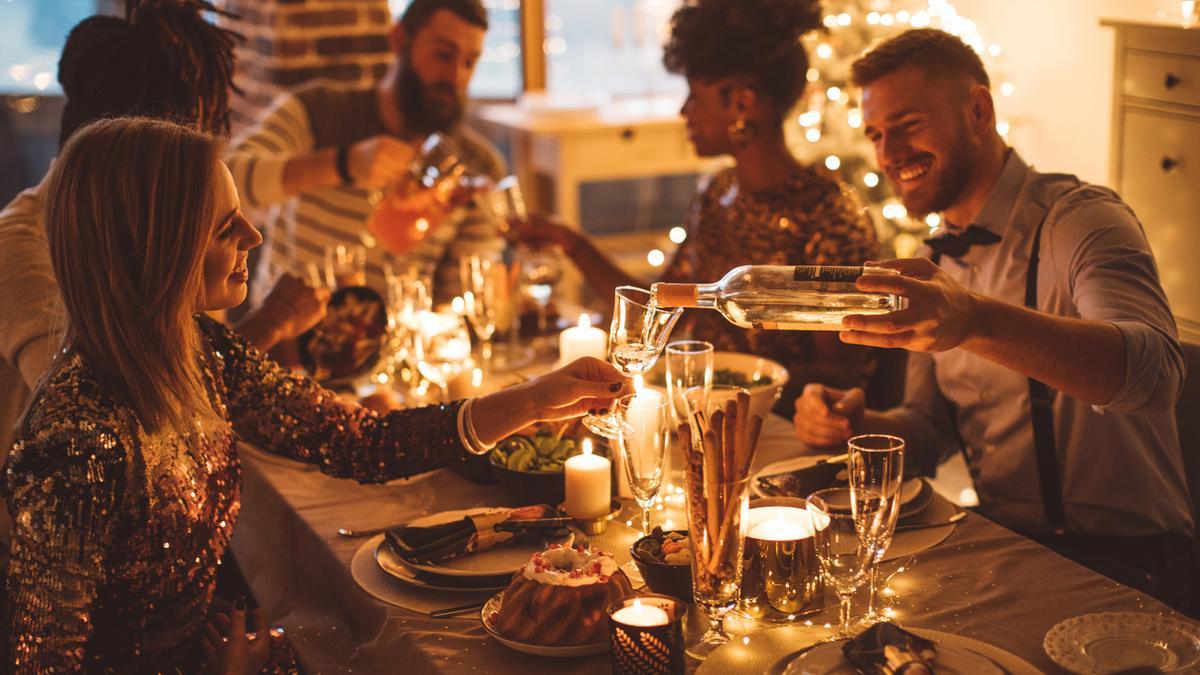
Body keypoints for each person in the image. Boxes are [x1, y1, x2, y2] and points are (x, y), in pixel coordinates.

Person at [2, 116, 630, 672]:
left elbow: (358, 442)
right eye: (225, 228)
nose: (253, 236)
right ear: (155, 248)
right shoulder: (77, 438)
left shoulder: (196, 348)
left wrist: (537, 398)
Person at [792, 28, 1194, 609]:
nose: (887, 154)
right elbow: (928, 432)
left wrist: (974, 322)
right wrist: (858, 425)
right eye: (876, 135)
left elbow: (1155, 376)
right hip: (1006, 551)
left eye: (906, 126)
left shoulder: (1083, 219)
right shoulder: (934, 260)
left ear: (978, 110)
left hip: (1131, 566)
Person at [0, 0, 328, 574]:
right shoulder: (21, 255)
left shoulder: (162, 233)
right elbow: (110, 418)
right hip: (66, 569)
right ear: (145, 149)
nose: (215, 148)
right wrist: (268, 327)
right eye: (198, 134)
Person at [509, 0, 879, 412]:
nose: (684, 111)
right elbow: (660, 301)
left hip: (778, 426)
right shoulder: (717, 192)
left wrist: (747, 387)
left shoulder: (829, 216)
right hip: (693, 408)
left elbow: (843, 372)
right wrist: (571, 243)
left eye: (694, 95)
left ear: (742, 103)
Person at [225, 0, 506, 303]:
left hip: (405, 343)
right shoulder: (319, 111)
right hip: (287, 341)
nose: (455, 77)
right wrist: (342, 163)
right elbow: (229, 180)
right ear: (399, 40)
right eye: (443, 55)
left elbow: (467, 296)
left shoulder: (476, 166)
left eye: (469, 62)